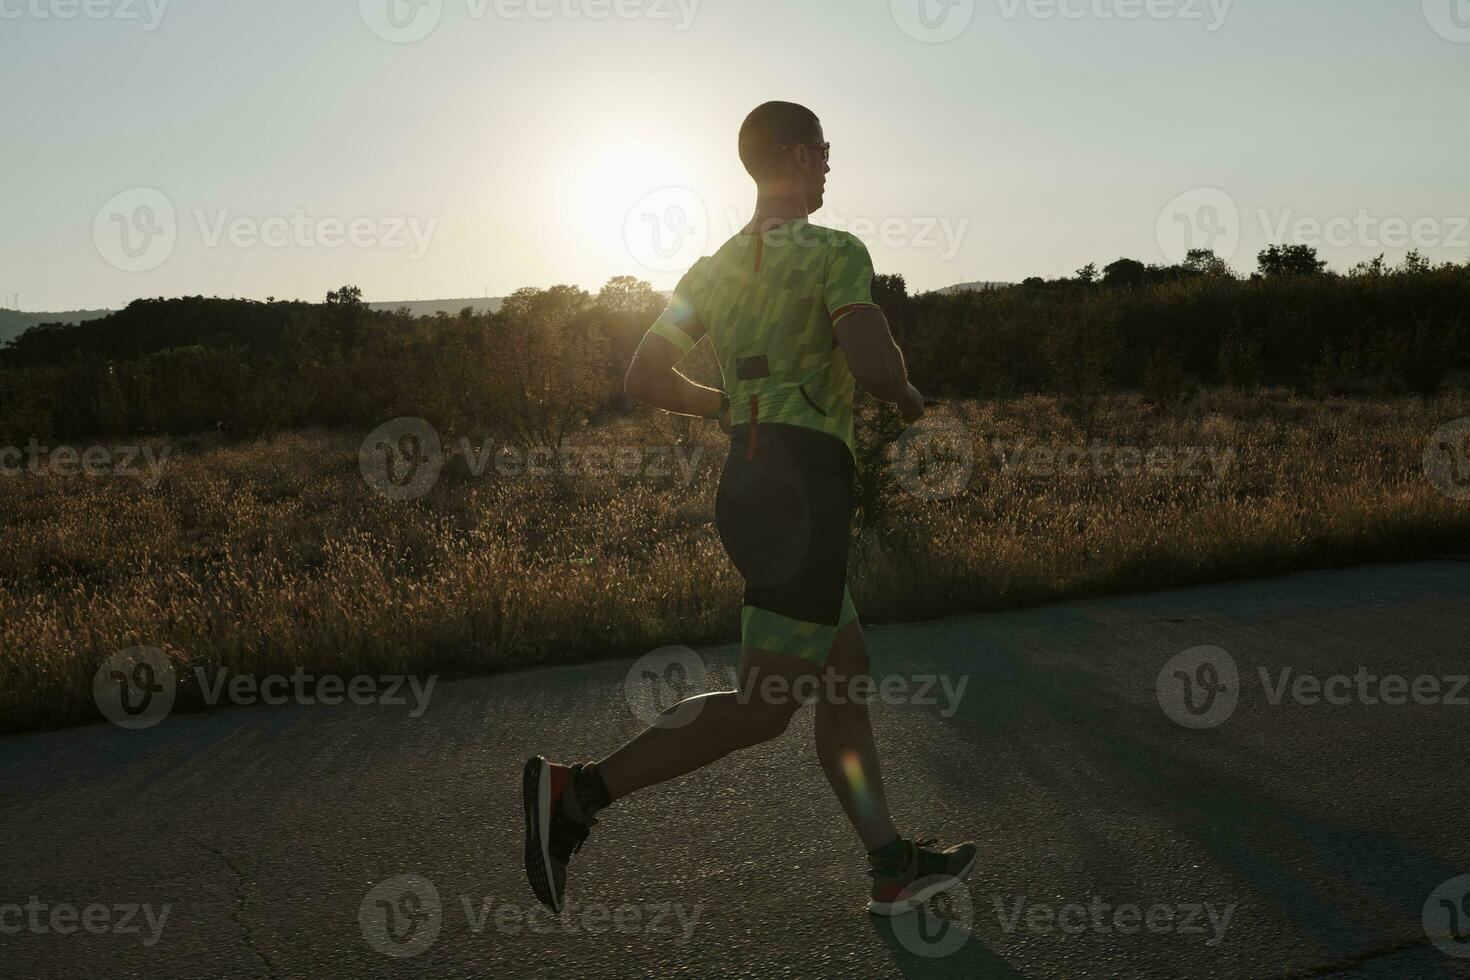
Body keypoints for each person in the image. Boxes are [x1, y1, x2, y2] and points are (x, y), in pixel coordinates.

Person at [524, 101, 974, 918]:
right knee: (764, 707)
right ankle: (577, 793)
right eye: (826, 151)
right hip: (805, 489)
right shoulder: (836, 251)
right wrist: (907, 395)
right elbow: (872, 363)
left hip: (751, 480)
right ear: (798, 156)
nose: (832, 165)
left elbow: (646, 378)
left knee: (844, 676)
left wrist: (726, 404)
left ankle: (891, 863)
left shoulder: (714, 270)